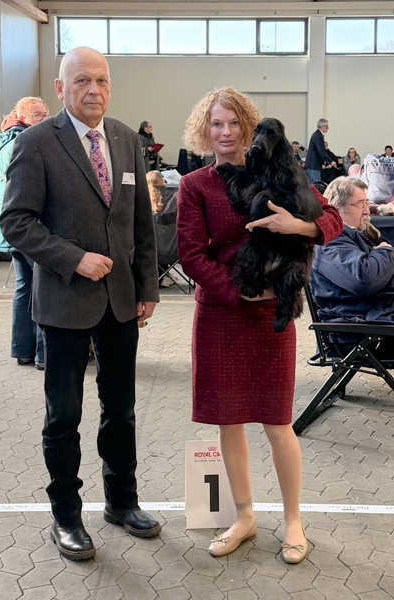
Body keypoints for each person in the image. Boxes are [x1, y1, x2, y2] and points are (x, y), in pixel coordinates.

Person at [0, 47, 161, 561]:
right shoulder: (35, 143)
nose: (94, 90)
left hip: (120, 302)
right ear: (60, 87)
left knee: (121, 410)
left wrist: (148, 287)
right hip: (64, 300)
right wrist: (74, 259)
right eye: (82, 81)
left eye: (102, 80)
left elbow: (140, 221)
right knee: (63, 415)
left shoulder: (126, 139)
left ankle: (122, 501)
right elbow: (15, 221)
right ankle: (66, 517)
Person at [177, 88, 342, 564]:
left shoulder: (278, 172)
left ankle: (293, 520)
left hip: (273, 318)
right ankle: (244, 516)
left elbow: (332, 217)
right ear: (204, 131)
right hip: (221, 315)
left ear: (249, 127)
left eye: (234, 123)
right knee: (228, 424)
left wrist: (300, 227)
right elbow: (191, 255)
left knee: (278, 423)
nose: (225, 132)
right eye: (216, 124)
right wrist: (240, 293)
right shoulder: (194, 185)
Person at [0, 96, 48, 370]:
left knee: (24, 287)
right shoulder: (25, 142)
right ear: (22, 117)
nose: (43, 119)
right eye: (37, 115)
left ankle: (23, 350)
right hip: (28, 227)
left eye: (45, 114)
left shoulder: (2, 143)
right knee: (44, 287)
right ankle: (44, 355)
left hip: (10, 227)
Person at [310, 177, 394, 356]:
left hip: (375, 321)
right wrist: (384, 251)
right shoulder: (331, 241)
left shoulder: (351, 236)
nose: (367, 210)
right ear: (337, 208)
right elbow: (364, 279)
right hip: (360, 332)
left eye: (366, 203)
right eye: (360, 204)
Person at [146, 170, 178, 288]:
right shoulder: (175, 198)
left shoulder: (143, 202)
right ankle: (165, 275)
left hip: (152, 253)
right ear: (163, 182)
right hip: (176, 253)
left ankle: (160, 276)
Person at [305, 118, 337, 184]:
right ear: (322, 126)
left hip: (314, 164)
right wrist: (331, 161)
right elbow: (321, 151)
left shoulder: (317, 134)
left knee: (315, 184)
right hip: (314, 164)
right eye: (326, 126)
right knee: (315, 185)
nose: (328, 128)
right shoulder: (318, 136)